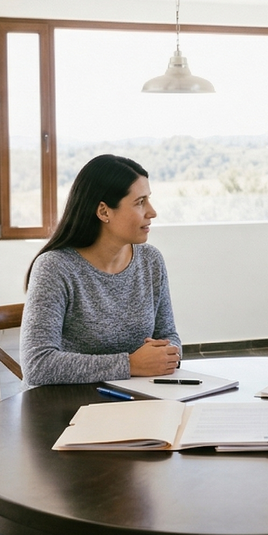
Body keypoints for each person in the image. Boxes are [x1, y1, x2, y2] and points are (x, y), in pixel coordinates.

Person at [20, 154, 182, 386]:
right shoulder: (55, 268)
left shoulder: (150, 261)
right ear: (104, 212)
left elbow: (169, 335)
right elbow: (37, 365)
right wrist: (131, 364)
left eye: (149, 200)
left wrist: (168, 354)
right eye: (140, 202)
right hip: (63, 409)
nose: (152, 212)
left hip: (134, 400)